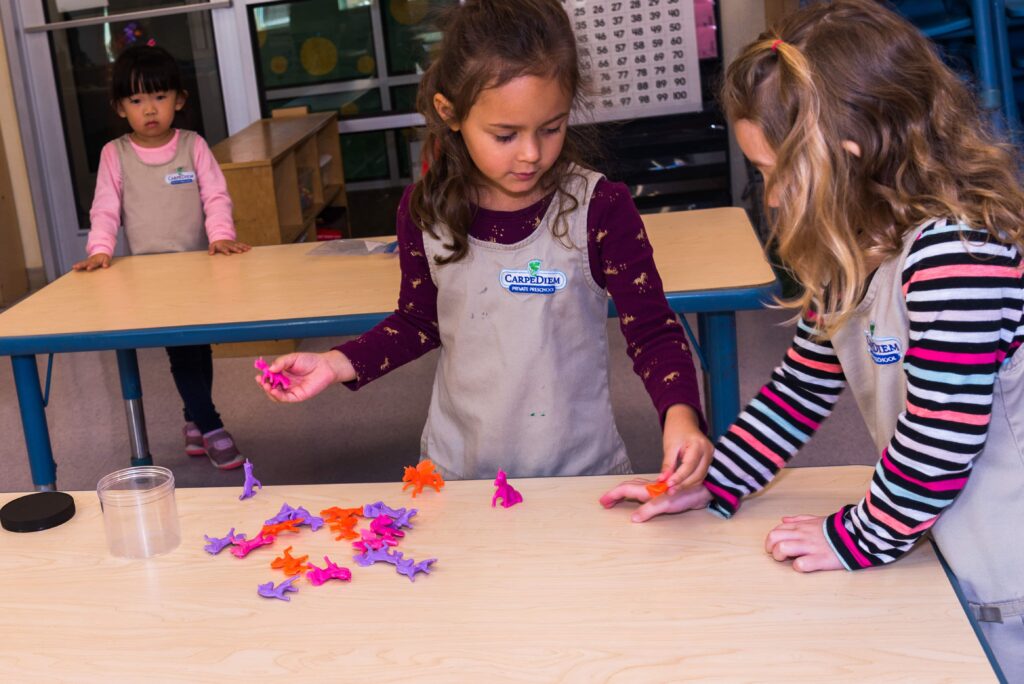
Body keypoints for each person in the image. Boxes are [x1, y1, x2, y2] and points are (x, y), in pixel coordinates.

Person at [599, 1, 1024, 678]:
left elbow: (940, 438)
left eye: (773, 172)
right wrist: (718, 482)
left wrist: (855, 535)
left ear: (847, 155)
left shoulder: (956, 259)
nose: (768, 197)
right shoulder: (853, 249)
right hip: (946, 537)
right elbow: (798, 389)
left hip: (1010, 562)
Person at [257, 0, 712, 482]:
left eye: (551, 128)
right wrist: (335, 362)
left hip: (577, 469)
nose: (531, 154)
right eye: (504, 135)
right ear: (450, 113)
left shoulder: (601, 207)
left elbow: (652, 329)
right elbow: (418, 322)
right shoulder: (424, 210)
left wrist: (680, 416)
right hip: (461, 470)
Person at [73, 45, 251, 470]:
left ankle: (193, 420)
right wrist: (99, 250)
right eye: (136, 100)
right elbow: (105, 208)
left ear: (179, 100)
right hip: (149, 278)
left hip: (197, 267)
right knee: (182, 352)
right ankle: (211, 426)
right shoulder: (115, 154)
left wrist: (221, 236)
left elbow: (215, 197)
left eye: (158, 97)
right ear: (120, 108)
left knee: (198, 348)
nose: (149, 109)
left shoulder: (193, 146)